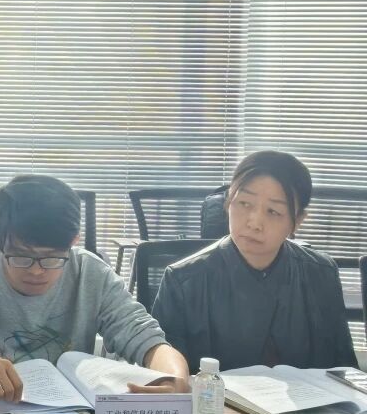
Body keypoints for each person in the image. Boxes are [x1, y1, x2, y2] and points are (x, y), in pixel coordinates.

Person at [0, 174, 190, 400]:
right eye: (22, 257)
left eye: (52, 258)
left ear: (73, 242)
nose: (37, 270)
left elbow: (147, 339)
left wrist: (175, 379)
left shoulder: (90, 273)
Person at [153, 151, 357, 370]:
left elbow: (343, 370)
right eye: (244, 203)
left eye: (273, 211)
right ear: (228, 201)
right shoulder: (183, 281)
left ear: (297, 221)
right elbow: (168, 379)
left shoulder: (321, 273)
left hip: (309, 394)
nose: (255, 223)